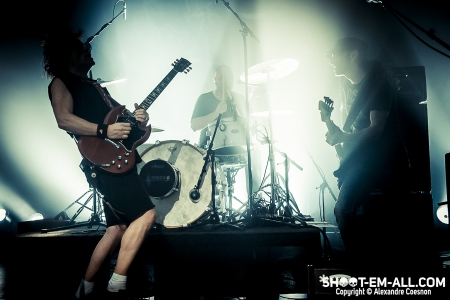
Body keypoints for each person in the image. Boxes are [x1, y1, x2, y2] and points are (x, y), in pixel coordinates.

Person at [42, 27, 156, 298]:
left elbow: (124, 123)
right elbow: (63, 119)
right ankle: (117, 285)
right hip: (104, 161)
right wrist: (104, 131)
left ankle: (86, 289)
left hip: (112, 158)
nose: (88, 50)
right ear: (67, 55)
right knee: (146, 215)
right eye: (81, 48)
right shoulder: (61, 82)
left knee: (116, 229)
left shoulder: (94, 86)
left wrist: (140, 119)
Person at [323, 37, 410, 271]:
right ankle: (359, 263)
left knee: (344, 209)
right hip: (362, 158)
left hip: (382, 159)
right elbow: (350, 132)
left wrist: (341, 137)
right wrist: (333, 131)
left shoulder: (378, 83)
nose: (331, 61)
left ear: (352, 55)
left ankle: (358, 265)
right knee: (343, 210)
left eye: (335, 55)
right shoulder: (346, 86)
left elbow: (375, 130)